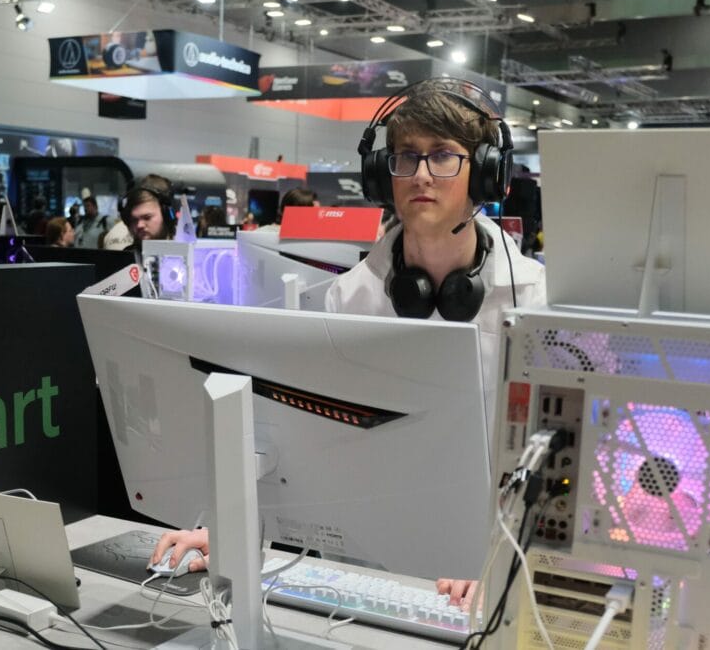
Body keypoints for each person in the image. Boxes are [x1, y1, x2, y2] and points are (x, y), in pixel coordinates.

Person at [150, 79, 547, 612]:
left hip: (488, 570)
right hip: (373, 567)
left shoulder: (536, 299)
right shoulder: (350, 295)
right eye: (406, 157)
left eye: (443, 156)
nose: (422, 174)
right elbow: (312, 447)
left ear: (486, 170)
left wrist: (499, 558)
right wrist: (234, 528)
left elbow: (544, 459)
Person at [121, 174, 175, 250]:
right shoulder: (127, 256)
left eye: (147, 217)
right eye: (134, 220)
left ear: (166, 215)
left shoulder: (188, 255)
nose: (139, 225)